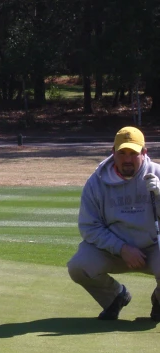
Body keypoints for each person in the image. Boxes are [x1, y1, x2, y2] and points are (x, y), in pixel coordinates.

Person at [67, 126, 160, 321]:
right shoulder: (96, 182)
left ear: (144, 152)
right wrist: (122, 248)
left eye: (133, 153)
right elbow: (89, 227)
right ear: (113, 152)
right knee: (79, 266)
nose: (127, 159)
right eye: (122, 153)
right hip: (114, 250)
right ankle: (115, 297)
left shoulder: (157, 175)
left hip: (153, 248)